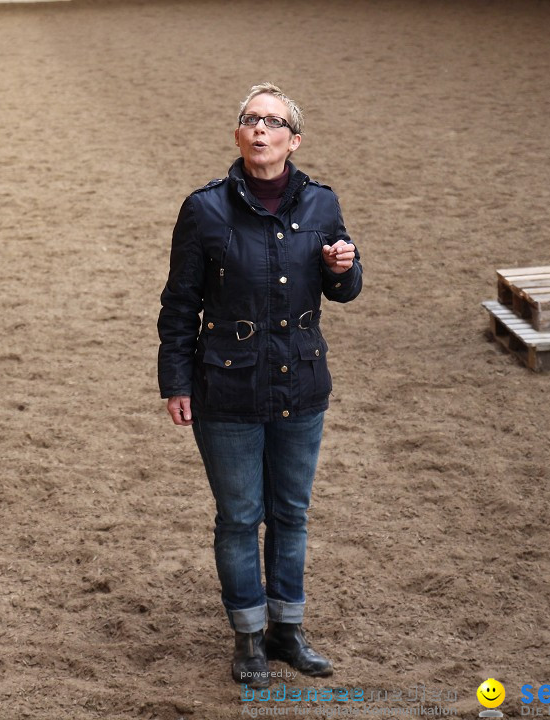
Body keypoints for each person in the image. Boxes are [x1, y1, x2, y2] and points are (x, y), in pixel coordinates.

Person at [157, 82, 363, 688]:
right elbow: (178, 305)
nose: (261, 129)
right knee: (240, 516)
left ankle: (287, 631)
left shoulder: (321, 204)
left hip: (300, 384)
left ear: (293, 140)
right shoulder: (205, 209)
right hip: (226, 390)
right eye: (251, 120)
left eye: (273, 122)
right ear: (239, 135)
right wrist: (177, 381)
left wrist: (343, 268)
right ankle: (248, 637)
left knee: (292, 513)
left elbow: (345, 289)